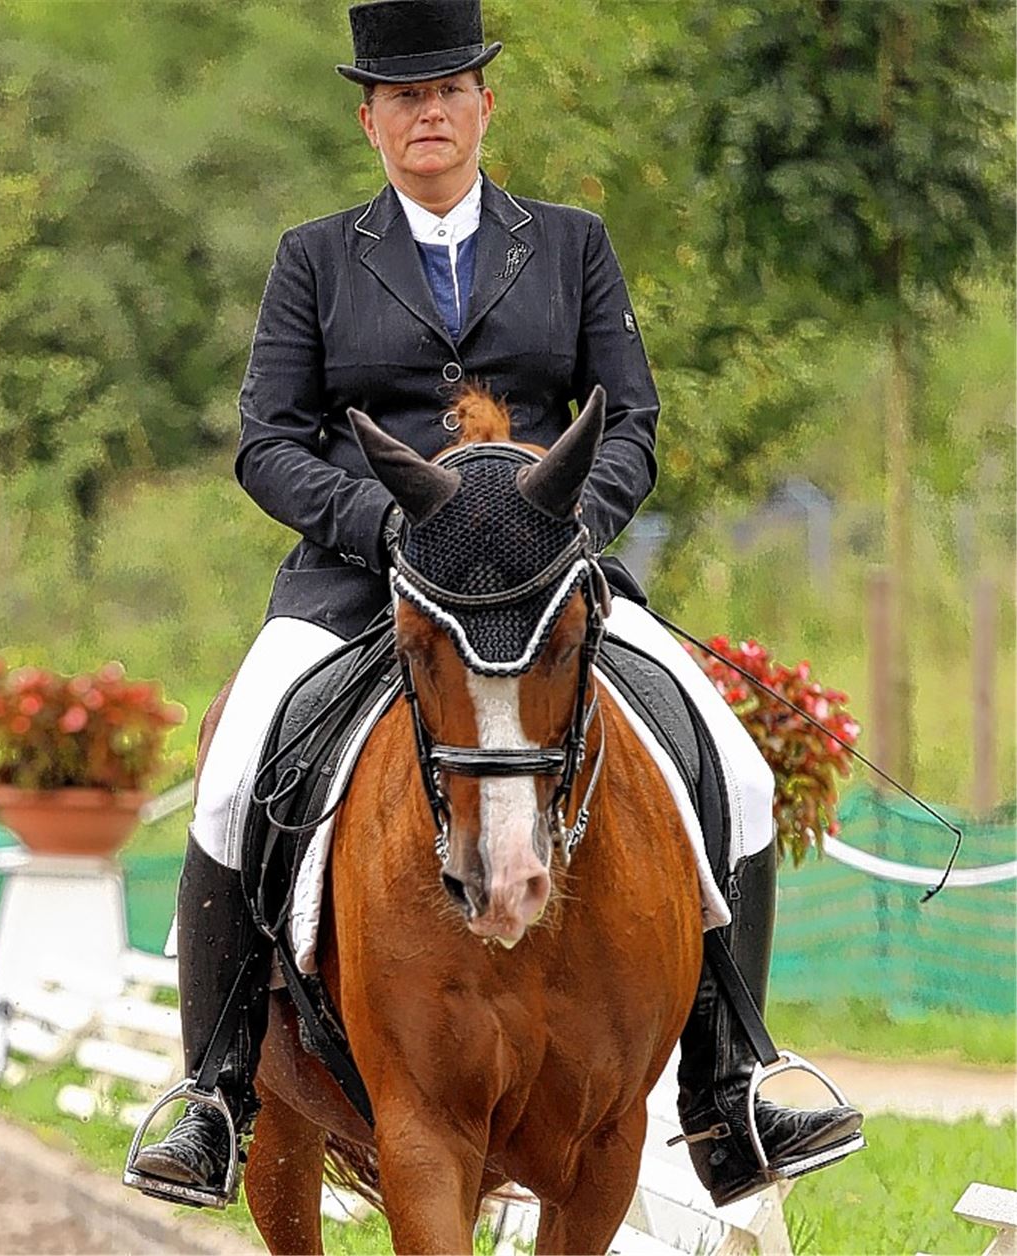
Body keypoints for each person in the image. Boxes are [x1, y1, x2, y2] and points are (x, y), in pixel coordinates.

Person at [128, 0, 863, 1210]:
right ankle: (215, 1094)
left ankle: (731, 1083)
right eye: (402, 95)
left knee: (730, 755)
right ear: (370, 118)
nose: (428, 112)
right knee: (229, 765)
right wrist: (385, 525)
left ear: (484, 103)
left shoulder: (570, 244)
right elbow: (267, 442)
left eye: (449, 89)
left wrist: (558, 530)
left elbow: (629, 420)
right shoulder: (315, 256)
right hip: (362, 577)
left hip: (540, 581)